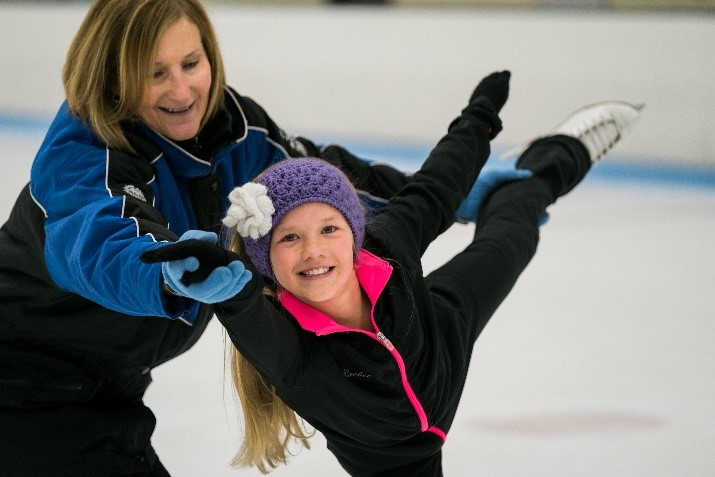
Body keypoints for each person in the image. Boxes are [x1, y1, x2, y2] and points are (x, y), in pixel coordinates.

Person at [141, 70, 643, 475]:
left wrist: (477, 121)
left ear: (355, 233)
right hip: (399, 461)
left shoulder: (384, 249)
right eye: (289, 238)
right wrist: (223, 286)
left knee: (512, 235)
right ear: (266, 264)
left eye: (329, 229)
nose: (313, 251)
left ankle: (562, 152)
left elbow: (433, 188)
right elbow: (242, 306)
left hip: (437, 331)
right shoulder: (292, 353)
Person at [0, 0, 418, 475]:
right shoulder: (81, 157)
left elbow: (323, 185)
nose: (181, 89)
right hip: (22, 386)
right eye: (154, 73)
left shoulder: (236, 133)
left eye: (191, 63)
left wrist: (444, 192)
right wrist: (166, 273)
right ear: (113, 79)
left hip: (107, 390)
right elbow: (102, 239)